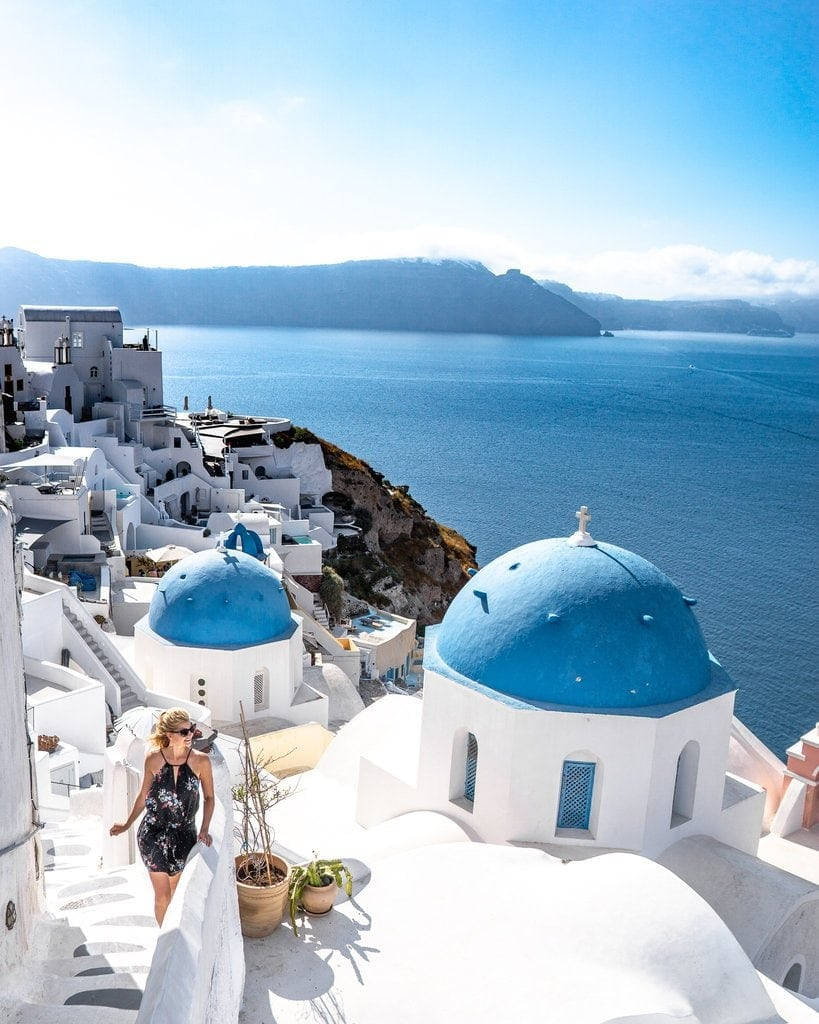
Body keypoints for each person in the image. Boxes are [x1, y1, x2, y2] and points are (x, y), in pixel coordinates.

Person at [109, 708, 214, 925]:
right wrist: (127, 824)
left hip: (185, 835)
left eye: (192, 730)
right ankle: (164, 944)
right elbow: (143, 796)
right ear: (169, 735)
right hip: (152, 834)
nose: (190, 735)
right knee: (162, 895)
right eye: (184, 731)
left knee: (176, 892)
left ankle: (172, 936)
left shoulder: (201, 761)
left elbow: (210, 798)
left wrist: (204, 828)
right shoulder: (153, 759)